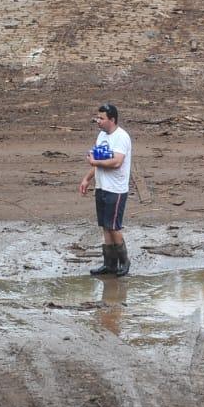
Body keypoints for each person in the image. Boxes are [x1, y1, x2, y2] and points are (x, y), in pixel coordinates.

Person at [79, 103, 133, 277]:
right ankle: (109, 264)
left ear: (112, 119)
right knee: (105, 226)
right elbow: (98, 160)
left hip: (116, 189)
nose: (98, 121)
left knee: (113, 227)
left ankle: (124, 262)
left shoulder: (122, 137)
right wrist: (87, 178)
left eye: (101, 118)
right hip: (102, 187)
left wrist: (95, 162)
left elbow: (117, 162)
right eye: (98, 117)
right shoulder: (102, 135)